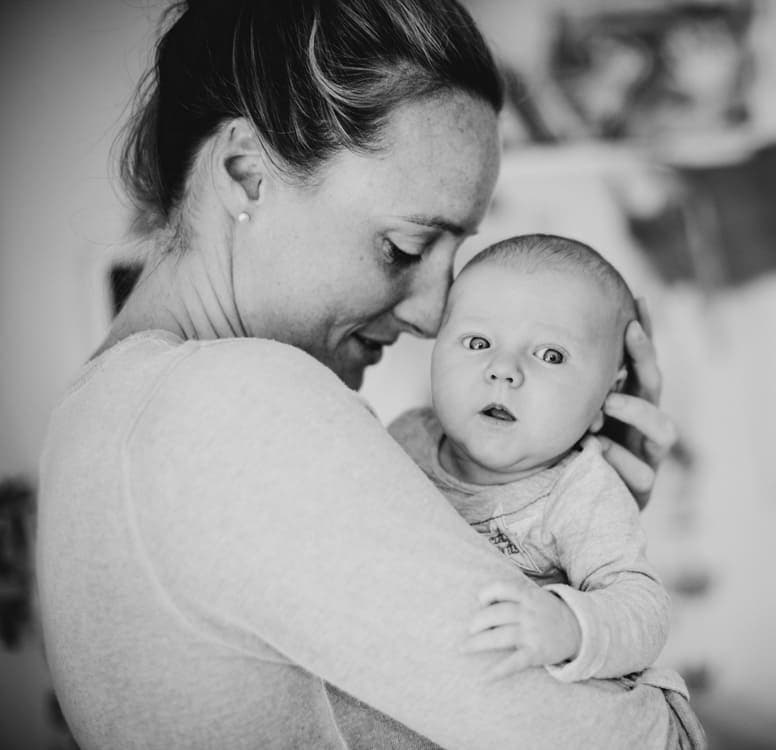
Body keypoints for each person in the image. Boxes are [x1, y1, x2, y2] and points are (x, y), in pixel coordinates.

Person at [35, 1, 702, 748]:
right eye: (405, 247)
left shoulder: (92, 418)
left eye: (456, 253)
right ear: (247, 173)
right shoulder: (232, 402)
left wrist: (556, 515)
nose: (436, 314)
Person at [391, 234, 685, 691]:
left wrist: (570, 626)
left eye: (551, 355)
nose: (503, 369)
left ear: (608, 395)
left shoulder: (581, 492)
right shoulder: (405, 437)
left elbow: (645, 609)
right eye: (477, 341)